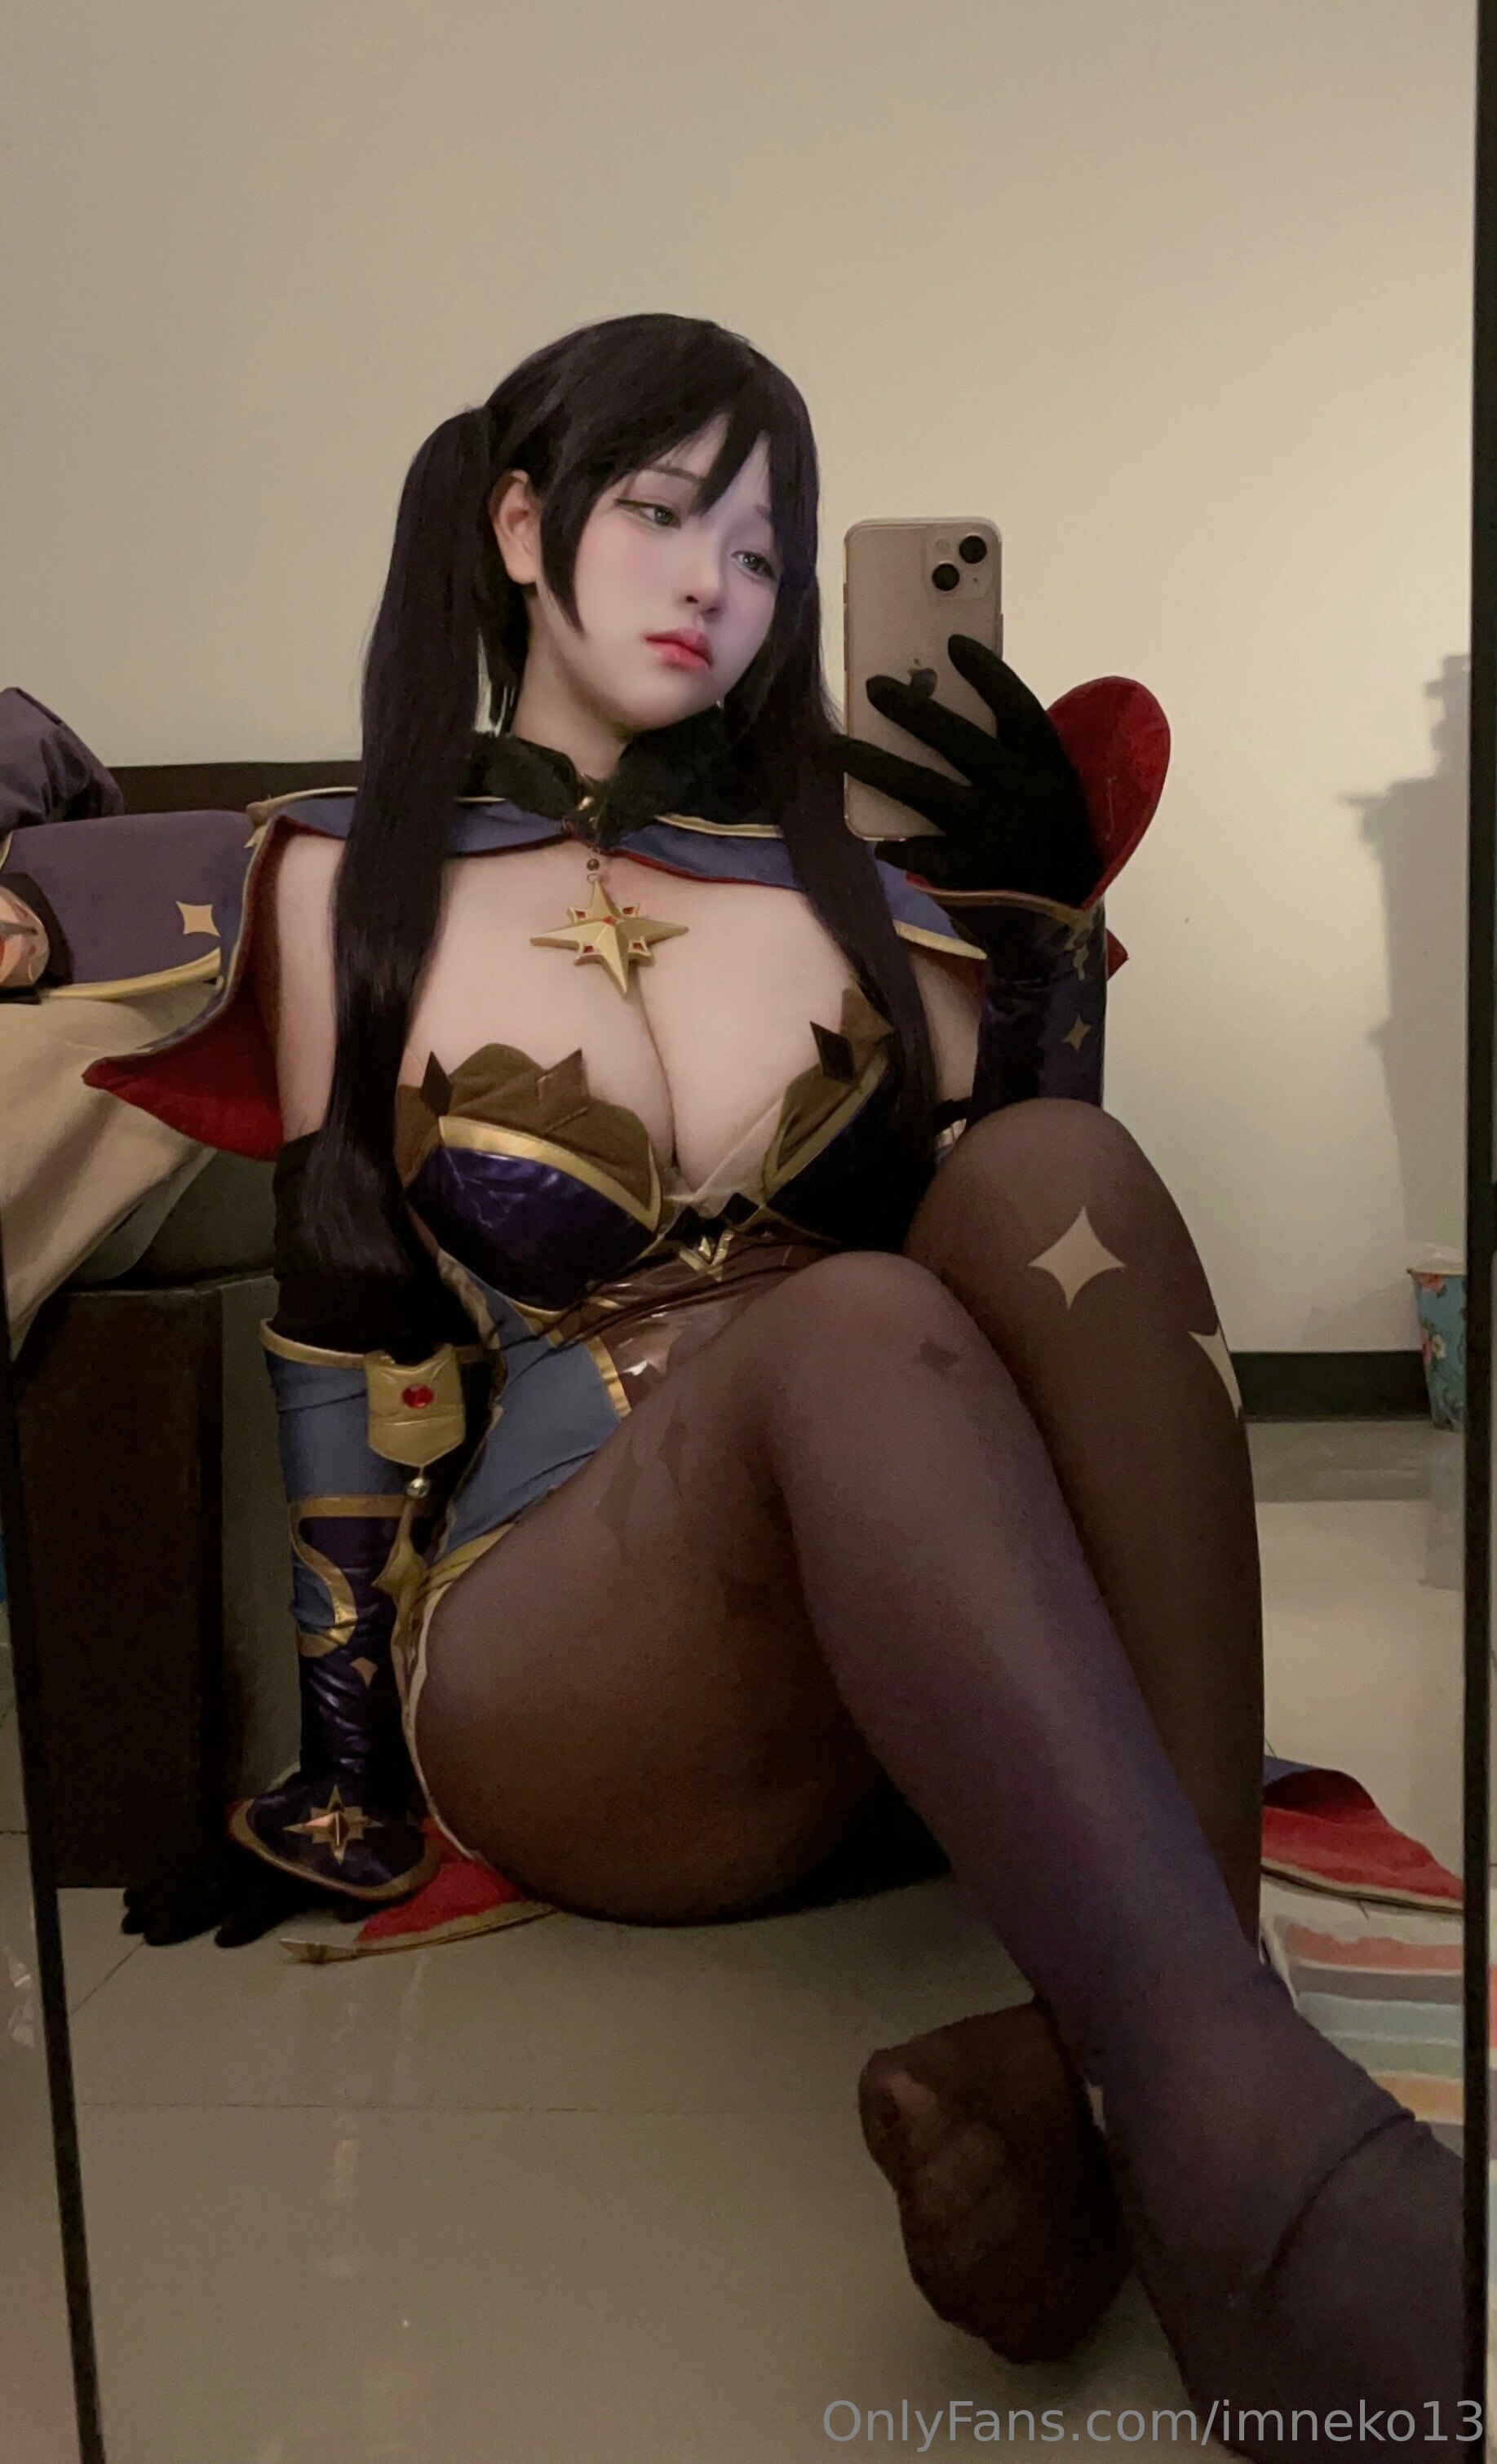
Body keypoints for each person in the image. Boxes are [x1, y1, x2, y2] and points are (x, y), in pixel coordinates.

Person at [108, 313, 1462, 2448]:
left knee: (1054, 1175)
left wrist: (1031, 924)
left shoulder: (845, 885)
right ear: (520, 527)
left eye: (760, 545)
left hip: (890, 1615)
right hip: (574, 1647)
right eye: (663, 514)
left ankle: (1159, 2078)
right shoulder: (345, 870)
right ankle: (1265, 2167)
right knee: (840, 1321)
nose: (714, 584)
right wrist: (341, 1777)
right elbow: (344, 1322)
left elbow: (1044, 1254)